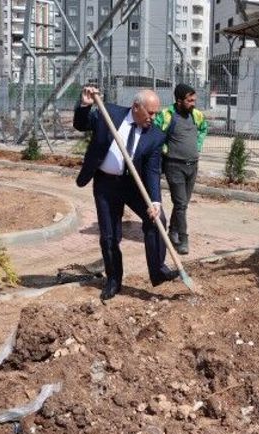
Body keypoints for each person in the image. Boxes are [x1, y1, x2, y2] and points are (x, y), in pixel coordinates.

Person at [73, 85, 179, 301]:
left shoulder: (155, 136)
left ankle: (158, 270)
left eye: (157, 113)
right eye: (150, 113)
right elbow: (81, 124)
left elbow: (152, 170)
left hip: (133, 184)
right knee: (109, 236)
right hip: (105, 184)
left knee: (157, 219)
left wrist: (155, 201)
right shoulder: (108, 113)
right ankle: (113, 280)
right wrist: (84, 105)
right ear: (136, 107)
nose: (154, 117)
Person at [153, 83, 208, 255]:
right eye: (190, 101)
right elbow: (155, 134)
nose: (193, 103)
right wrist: (164, 149)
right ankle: (183, 239)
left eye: (194, 100)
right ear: (179, 101)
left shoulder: (197, 115)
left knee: (182, 205)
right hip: (174, 166)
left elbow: (203, 129)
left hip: (193, 166)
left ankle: (172, 230)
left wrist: (197, 146)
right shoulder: (167, 115)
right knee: (181, 204)